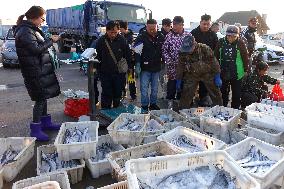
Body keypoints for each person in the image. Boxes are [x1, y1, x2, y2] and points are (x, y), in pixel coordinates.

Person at [15, 6, 61, 141]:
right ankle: (35, 128)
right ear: (35, 17)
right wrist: (50, 41)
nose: (43, 21)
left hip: (40, 70)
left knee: (43, 96)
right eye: (42, 18)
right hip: (34, 72)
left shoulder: (31, 29)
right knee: (40, 99)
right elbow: (35, 50)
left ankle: (46, 123)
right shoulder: (25, 31)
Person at [176, 35, 223, 109]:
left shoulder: (204, 48)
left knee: (215, 92)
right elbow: (180, 66)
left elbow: (214, 62)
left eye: (190, 49)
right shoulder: (182, 51)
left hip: (207, 73)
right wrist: (178, 79)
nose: (188, 51)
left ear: (194, 44)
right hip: (192, 74)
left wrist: (217, 76)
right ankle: (183, 111)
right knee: (186, 93)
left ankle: (220, 109)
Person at [96, 21, 131, 109]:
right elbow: (97, 57)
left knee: (118, 93)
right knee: (106, 93)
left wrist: (130, 68)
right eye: (111, 32)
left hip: (119, 73)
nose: (113, 34)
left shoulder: (122, 40)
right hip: (105, 73)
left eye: (116, 32)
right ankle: (105, 112)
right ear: (107, 31)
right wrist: (98, 71)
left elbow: (128, 55)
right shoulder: (101, 41)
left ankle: (116, 111)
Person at [215, 25, 249, 109]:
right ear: (226, 34)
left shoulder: (240, 43)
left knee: (236, 94)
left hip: (237, 73)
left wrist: (246, 70)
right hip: (223, 71)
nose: (231, 38)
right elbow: (215, 56)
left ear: (237, 35)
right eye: (229, 35)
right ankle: (223, 108)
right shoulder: (221, 42)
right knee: (223, 93)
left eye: (234, 36)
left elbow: (245, 58)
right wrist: (216, 72)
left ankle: (235, 110)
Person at [134, 19, 165, 112]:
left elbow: (164, 51)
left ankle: (153, 104)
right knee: (144, 88)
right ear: (146, 27)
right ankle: (144, 105)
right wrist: (137, 64)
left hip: (156, 67)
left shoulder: (161, 37)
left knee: (155, 89)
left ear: (157, 27)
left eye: (154, 28)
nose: (152, 30)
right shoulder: (141, 37)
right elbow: (137, 52)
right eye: (150, 28)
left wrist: (164, 61)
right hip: (144, 68)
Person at [162, 16, 190, 108]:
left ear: (182, 25)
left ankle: (180, 102)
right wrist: (169, 61)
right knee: (172, 85)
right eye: (173, 24)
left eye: (176, 25)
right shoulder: (169, 36)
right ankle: (170, 101)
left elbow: (193, 50)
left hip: (185, 68)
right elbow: (164, 50)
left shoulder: (188, 35)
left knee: (183, 85)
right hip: (172, 67)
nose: (174, 27)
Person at [191, 14, 219, 106]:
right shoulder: (193, 33)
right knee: (191, 88)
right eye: (204, 24)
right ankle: (190, 104)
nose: (206, 26)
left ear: (210, 24)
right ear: (200, 22)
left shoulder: (213, 35)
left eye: (208, 24)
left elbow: (216, 52)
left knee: (204, 89)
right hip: (194, 66)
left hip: (207, 68)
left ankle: (202, 105)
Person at [119, 20, 136, 100]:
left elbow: (132, 50)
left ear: (123, 28)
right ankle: (123, 93)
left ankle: (133, 95)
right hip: (122, 62)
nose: (119, 30)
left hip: (130, 62)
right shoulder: (121, 35)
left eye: (120, 28)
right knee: (122, 79)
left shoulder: (131, 37)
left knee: (130, 79)